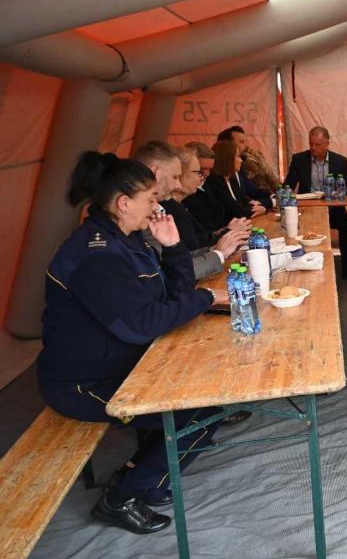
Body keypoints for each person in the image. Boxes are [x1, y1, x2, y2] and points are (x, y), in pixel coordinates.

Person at [38, 151, 224, 534]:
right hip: (83, 384)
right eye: (151, 199)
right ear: (124, 203)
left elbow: (171, 298)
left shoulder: (127, 239)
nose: (157, 207)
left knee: (205, 389)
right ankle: (123, 495)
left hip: (125, 362)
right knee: (200, 411)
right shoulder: (96, 255)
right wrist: (206, 298)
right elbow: (142, 324)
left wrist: (173, 247)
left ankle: (144, 475)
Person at [132, 141, 246, 280]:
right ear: (155, 172)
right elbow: (169, 271)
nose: (177, 185)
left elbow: (177, 259)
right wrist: (219, 252)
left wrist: (215, 250)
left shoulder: (156, 212)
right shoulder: (145, 219)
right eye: (175, 177)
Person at [284, 126, 347, 282]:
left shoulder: (339, 161)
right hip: (308, 207)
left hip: (332, 206)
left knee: (345, 227)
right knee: (297, 230)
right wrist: (284, 194)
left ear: (327, 144)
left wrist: (339, 192)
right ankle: (303, 265)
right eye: (311, 143)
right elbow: (288, 185)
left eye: (317, 144)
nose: (313, 148)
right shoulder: (299, 159)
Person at [167, 144, 250, 268]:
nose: (203, 176)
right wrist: (227, 234)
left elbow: (200, 241)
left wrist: (224, 233)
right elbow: (193, 250)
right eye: (198, 172)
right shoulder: (173, 210)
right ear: (180, 174)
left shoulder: (180, 205)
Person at [204, 140, 267, 220]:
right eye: (237, 156)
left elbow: (244, 201)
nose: (241, 160)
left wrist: (260, 207)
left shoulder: (231, 179)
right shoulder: (215, 182)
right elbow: (238, 213)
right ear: (227, 160)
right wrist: (262, 209)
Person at [218, 126, 273, 209]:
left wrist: (273, 196)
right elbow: (237, 206)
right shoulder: (221, 177)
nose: (245, 146)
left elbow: (252, 192)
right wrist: (272, 202)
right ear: (228, 145)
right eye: (241, 142)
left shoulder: (239, 166)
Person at [181, 142, 231, 232]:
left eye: (209, 169)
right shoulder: (184, 195)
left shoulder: (207, 185)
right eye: (202, 169)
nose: (207, 174)